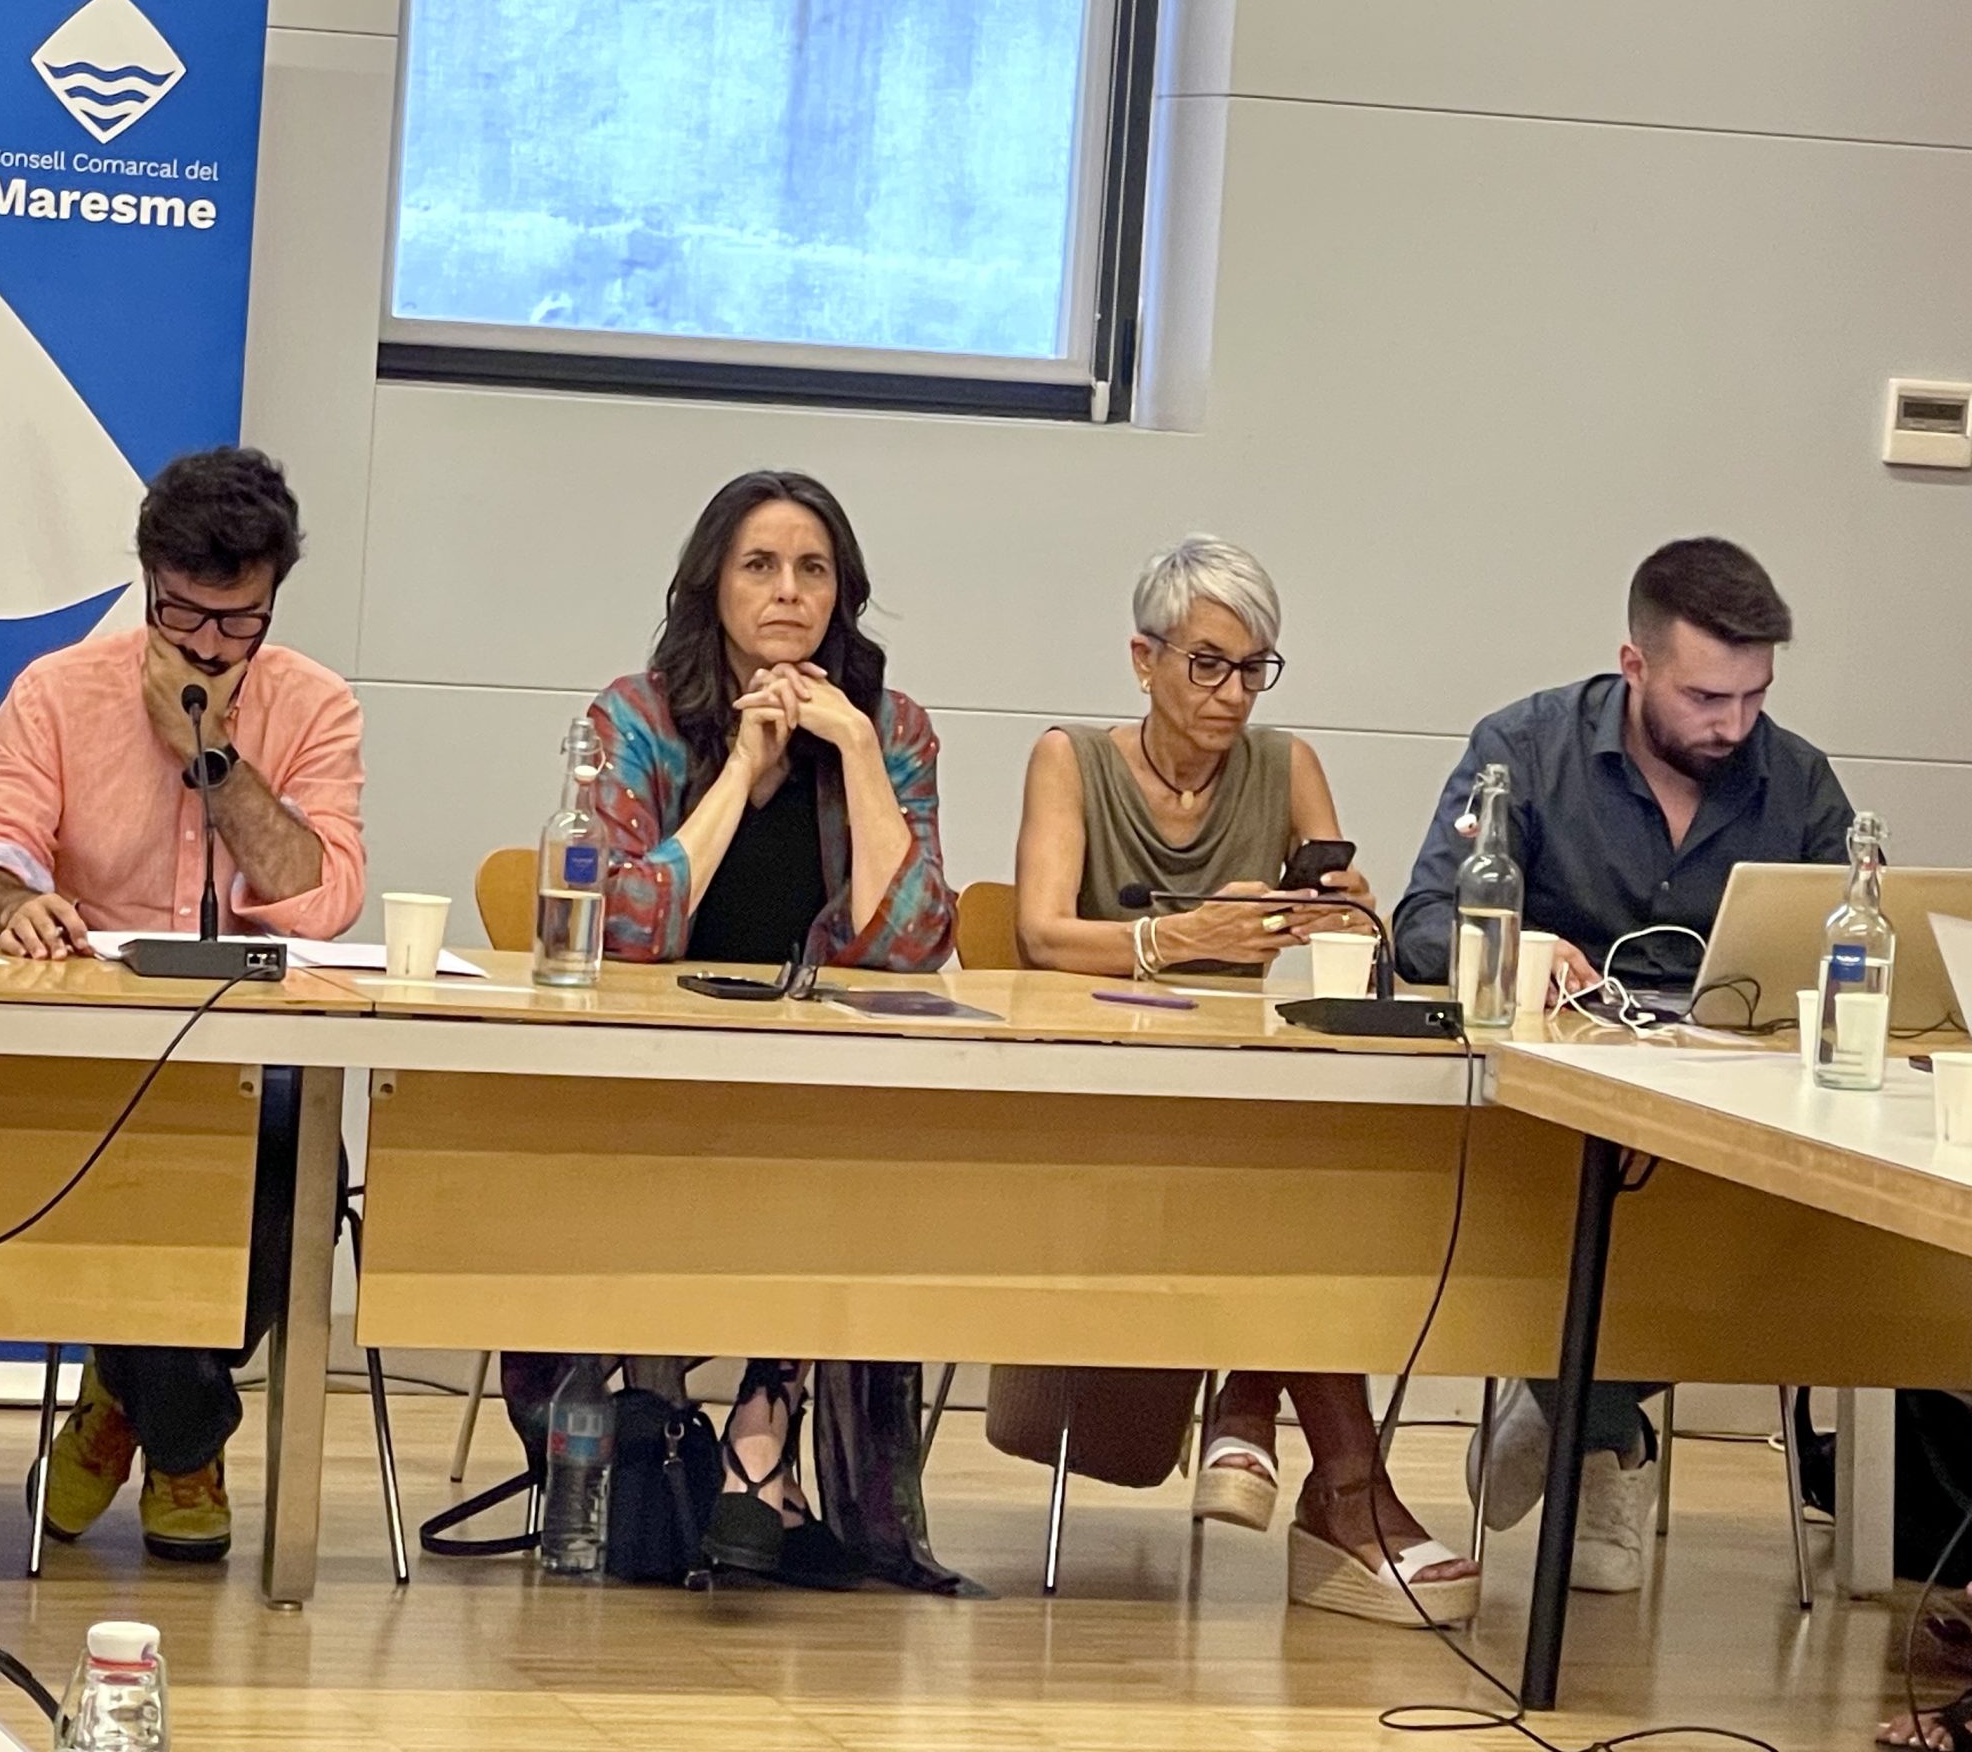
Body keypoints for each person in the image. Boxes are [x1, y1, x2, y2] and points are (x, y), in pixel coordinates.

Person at [1009, 533, 1480, 1627]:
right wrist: (1181, 938)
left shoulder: (1286, 762)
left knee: (1322, 1171)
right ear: (1144, 661)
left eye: (1253, 668)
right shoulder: (1069, 759)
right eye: (1207, 664)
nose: (1231, 695)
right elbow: (1038, 934)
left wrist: (1335, 912)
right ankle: (1336, 1483)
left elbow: (1350, 933)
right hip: (1109, 1090)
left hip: (1252, 1088)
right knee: (1289, 1189)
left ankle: (1256, 1410)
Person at [1394, 536, 1852, 1595]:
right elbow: (1420, 923)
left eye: (1755, 696)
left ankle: (1566, 1403)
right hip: (1545, 1119)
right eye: (1706, 697)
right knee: (1532, 1218)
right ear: (1633, 665)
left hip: (1733, 1119)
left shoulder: (1799, 781)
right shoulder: (1523, 748)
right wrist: (1517, 947)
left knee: (1792, 1250)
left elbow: (1860, 952)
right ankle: (1609, 1439)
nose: (1733, 724)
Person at [0, 445, 364, 1563]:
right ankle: (186, 1440)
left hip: (252, 1056)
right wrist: (13, 903)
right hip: (89, 1050)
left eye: (241, 621)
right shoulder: (57, 691)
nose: (211, 646)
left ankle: (124, 1403)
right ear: (147, 580)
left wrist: (212, 754)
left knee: (299, 1161)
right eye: (184, 614)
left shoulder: (315, 705)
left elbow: (321, 899)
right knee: (122, 1157)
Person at [587, 468, 960, 1591]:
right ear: (712, 585)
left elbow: (912, 941)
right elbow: (627, 927)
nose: (789, 591)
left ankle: (765, 1413)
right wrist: (742, 771)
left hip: (821, 1078)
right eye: (760, 566)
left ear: (842, 594)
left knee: (853, 1148)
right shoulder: (638, 717)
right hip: (650, 1073)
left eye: (813, 570)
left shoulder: (892, 727)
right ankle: (679, 1438)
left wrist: (855, 756)